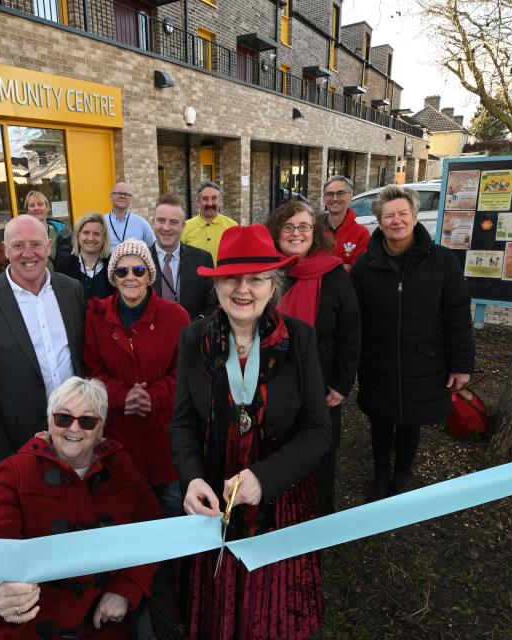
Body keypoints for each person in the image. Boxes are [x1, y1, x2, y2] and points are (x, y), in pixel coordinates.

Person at [170, 225, 332, 640]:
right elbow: (183, 423)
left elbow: (317, 430)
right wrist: (190, 480)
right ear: (217, 285)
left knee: (273, 608)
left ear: (272, 286)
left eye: (257, 279)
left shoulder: (299, 340)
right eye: (232, 278)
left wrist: (266, 478)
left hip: (279, 496)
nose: (244, 289)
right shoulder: (194, 339)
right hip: (214, 494)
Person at [0, 376, 162, 639]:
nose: (74, 428)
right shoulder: (18, 472)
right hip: (33, 619)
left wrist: (126, 588)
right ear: (49, 423)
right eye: (63, 418)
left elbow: (153, 531)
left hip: (101, 620)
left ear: (101, 429)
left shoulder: (122, 468)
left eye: (87, 420)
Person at [350, 185, 474, 501]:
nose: (397, 220)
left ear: (415, 217)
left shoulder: (442, 261)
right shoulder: (365, 266)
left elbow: (457, 313)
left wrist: (462, 363)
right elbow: (355, 320)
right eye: (389, 215)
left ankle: (402, 472)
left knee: (411, 420)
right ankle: (380, 472)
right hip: (379, 359)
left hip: (425, 358)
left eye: (403, 213)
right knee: (380, 417)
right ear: (378, 222)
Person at [0, 215, 86, 467]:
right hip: (21, 438)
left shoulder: (72, 289)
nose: (28, 253)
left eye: (36, 244)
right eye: (18, 245)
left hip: (78, 428)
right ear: (5, 250)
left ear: (48, 247)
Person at [267, 199, 361, 516]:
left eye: (304, 227)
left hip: (319, 386)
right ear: (276, 232)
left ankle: (315, 524)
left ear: (314, 232)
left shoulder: (333, 274)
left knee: (317, 457)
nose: (296, 233)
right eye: (289, 227)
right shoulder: (263, 271)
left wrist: (341, 383)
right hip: (269, 386)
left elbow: (351, 331)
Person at [84, 240, 190, 516]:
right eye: (122, 271)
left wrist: (151, 397)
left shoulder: (176, 317)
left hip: (162, 437)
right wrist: (124, 397)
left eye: (139, 269)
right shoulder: (96, 316)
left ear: (150, 275)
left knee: (168, 506)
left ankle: (172, 562)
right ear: (113, 277)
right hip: (118, 433)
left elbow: (185, 373)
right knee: (125, 509)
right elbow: (93, 370)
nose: (130, 277)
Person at [148, 194, 216, 320]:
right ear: (153, 223)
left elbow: (212, 303)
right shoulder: (140, 261)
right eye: (161, 220)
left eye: (174, 222)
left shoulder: (203, 259)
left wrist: (194, 328)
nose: (166, 227)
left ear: (183, 226)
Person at [55, 211, 114, 300]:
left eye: (96, 234)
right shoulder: (64, 265)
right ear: (78, 235)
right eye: (86, 233)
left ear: (104, 237)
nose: (90, 238)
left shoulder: (114, 265)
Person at [180, 181, 238, 264]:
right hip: (194, 276)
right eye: (205, 199)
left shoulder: (232, 227)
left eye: (214, 198)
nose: (210, 203)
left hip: (222, 276)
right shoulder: (185, 227)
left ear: (220, 201)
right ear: (198, 202)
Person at [322, 175, 370, 270]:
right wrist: (344, 267)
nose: (335, 198)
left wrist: (324, 267)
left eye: (340, 193)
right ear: (324, 199)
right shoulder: (314, 229)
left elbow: (358, 271)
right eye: (330, 194)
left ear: (350, 196)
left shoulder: (361, 234)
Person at [22, 190, 72, 270]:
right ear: (27, 211)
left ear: (47, 208)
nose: (36, 208)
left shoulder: (63, 234)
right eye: (32, 205)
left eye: (40, 204)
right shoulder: (21, 236)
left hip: (60, 280)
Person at [105, 181, 155, 251]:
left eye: (126, 194)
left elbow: (153, 246)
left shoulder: (142, 223)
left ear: (131, 198)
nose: (122, 196)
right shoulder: (102, 222)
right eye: (118, 193)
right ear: (110, 196)